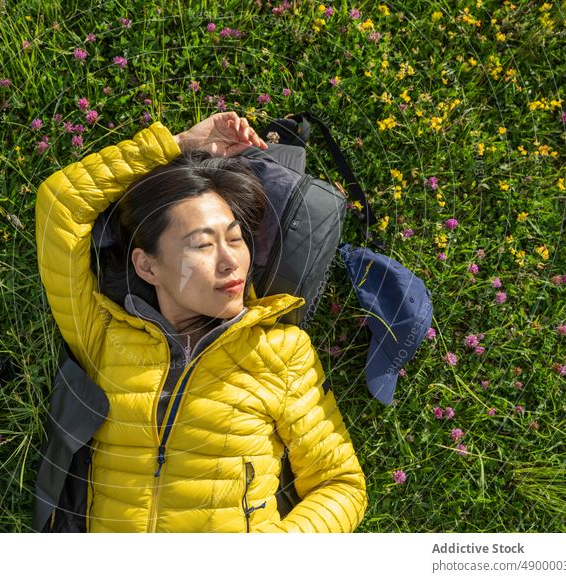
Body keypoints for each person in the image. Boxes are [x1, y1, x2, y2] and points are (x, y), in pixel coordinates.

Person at [35, 112, 367, 532]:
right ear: (147, 266)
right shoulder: (102, 334)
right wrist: (177, 144)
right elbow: (61, 203)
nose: (231, 262)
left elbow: (341, 485)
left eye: (235, 238)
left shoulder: (281, 352)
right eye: (202, 245)